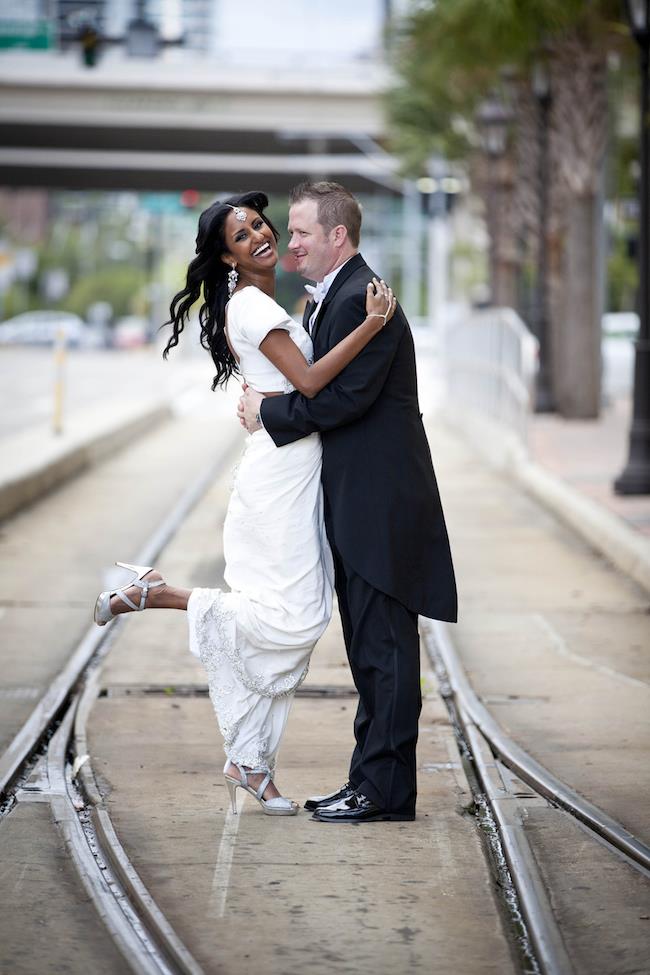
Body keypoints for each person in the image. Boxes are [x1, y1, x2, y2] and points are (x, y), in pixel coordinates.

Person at [93, 191, 396, 817]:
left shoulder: (261, 304)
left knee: (286, 615)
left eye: (261, 224)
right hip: (280, 478)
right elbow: (311, 384)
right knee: (295, 619)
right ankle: (157, 593)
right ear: (227, 256)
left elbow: (282, 383)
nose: (260, 236)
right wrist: (370, 325)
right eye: (242, 235)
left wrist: (267, 395)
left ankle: (250, 761)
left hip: (287, 469)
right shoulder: (254, 307)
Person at [239, 181, 457, 823]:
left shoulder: (367, 300)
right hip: (359, 501)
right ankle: (370, 781)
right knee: (370, 651)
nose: (290, 242)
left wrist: (265, 411)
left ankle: (385, 792)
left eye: (302, 232)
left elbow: (340, 401)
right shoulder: (337, 301)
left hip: (380, 503)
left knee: (385, 651)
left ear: (338, 236)